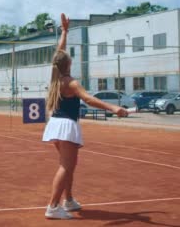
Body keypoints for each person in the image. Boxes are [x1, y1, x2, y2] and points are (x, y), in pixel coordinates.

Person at [42, 13, 127, 220]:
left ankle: (68, 200)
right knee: (65, 166)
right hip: (66, 125)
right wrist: (114, 108)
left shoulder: (55, 75)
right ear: (68, 64)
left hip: (56, 124)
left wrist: (64, 31)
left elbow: (59, 52)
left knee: (70, 165)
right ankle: (53, 207)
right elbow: (89, 100)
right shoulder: (71, 82)